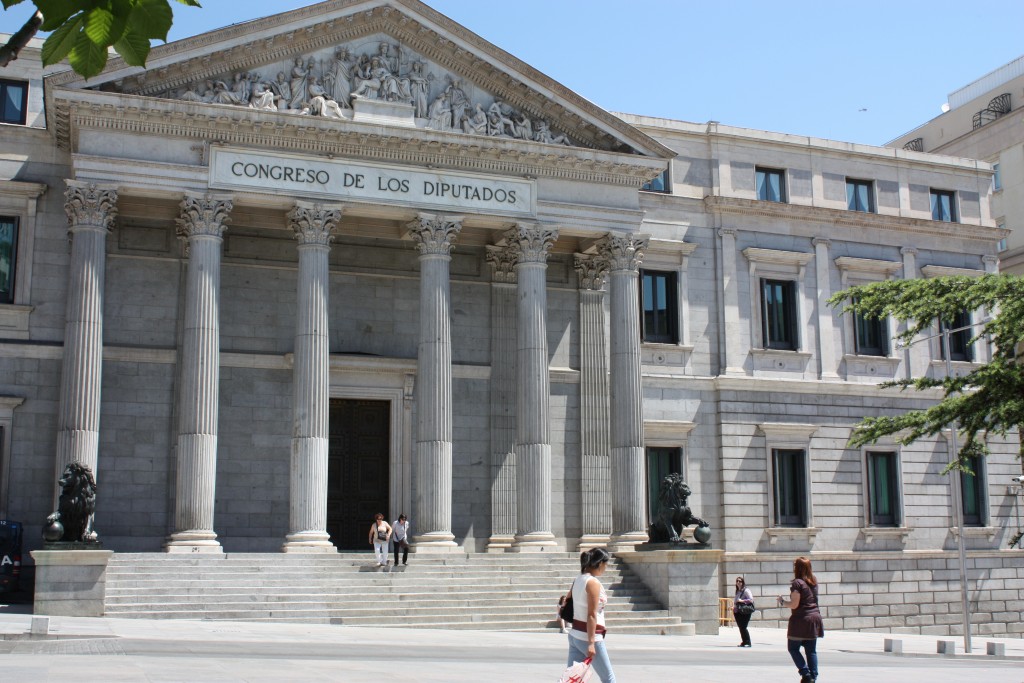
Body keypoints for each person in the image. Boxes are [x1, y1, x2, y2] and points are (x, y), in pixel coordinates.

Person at [564, 548, 616, 683]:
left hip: (575, 634)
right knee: (609, 679)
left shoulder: (578, 579)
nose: (606, 567)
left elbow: (566, 600)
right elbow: (592, 614)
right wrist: (591, 643)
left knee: (573, 679)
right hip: (589, 637)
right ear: (599, 563)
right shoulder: (593, 582)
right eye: (606, 563)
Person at [778, 557, 824, 683]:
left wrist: (782, 601)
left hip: (801, 619)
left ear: (797, 568)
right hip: (814, 618)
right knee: (811, 651)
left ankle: (806, 674)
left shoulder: (797, 583)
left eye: (794, 566)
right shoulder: (813, 581)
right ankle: (813, 677)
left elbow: (794, 604)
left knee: (793, 648)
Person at [732, 576, 754, 647]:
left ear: (742, 582)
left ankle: (748, 642)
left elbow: (751, 600)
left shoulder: (746, 590)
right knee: (741, 627)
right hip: (737, 611)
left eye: (740, 581)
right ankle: (744, 641)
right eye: (737, 581)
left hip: (745, 611)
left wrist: (742, 601)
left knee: (743, 627)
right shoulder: (737, 591)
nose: (738, 582)